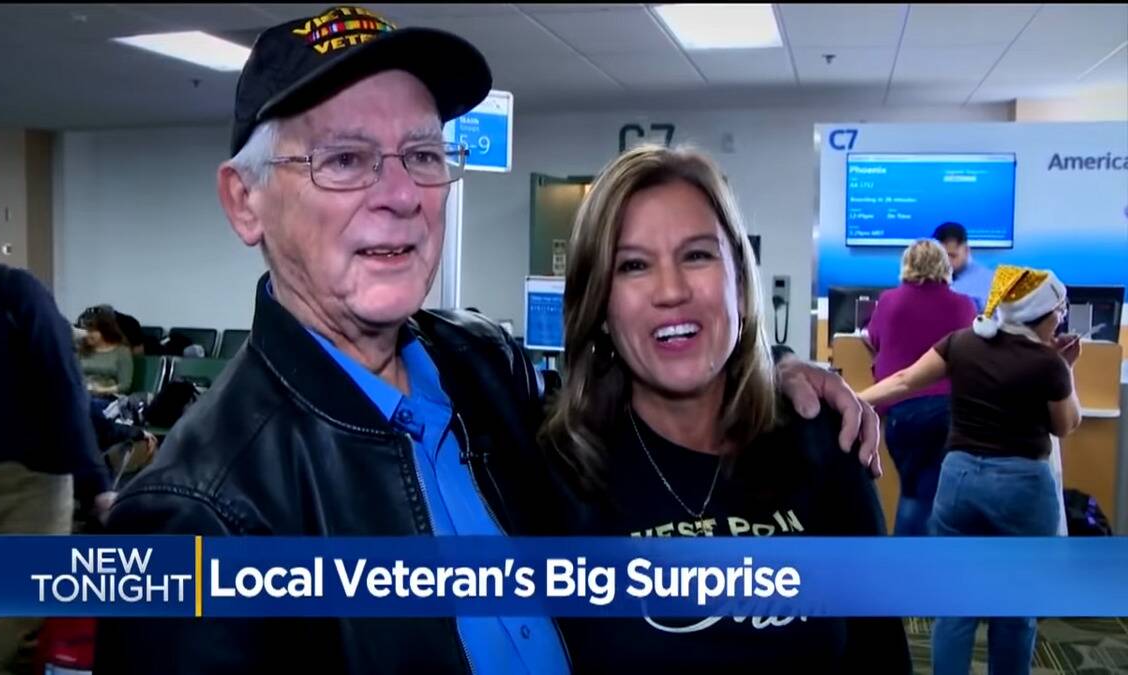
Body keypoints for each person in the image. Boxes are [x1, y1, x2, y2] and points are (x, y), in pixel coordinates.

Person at [94, 7, 881, 673]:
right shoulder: (197, 518)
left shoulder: (483, 372)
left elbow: (668, 369)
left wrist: (776, 368)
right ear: (245, 202)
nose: (400, 194)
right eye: (344, 159)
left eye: (424, 154)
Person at [540, 145, 910, 673]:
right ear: (599, 304)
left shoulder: (820, 439)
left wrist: (780, 364)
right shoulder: (555, 468)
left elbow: (881, 656)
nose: (671, 291)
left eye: (696, 255)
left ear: (739, 276)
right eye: (634, 265)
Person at [0, 170, 115, 675]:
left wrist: (95, 485)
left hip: (33, 485)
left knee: (20, 634)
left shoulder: (11, 293)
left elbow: (64, 387)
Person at [859, 264, 1082, 675]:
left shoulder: (962, 343)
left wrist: (850, 398)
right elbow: (1064, 425)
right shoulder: (1047, 364)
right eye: (1060, 310)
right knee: (1014, 613)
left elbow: (905, 380)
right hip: (1022, 489)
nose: (1062, 317)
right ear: (1046, 314)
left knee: (955, 610)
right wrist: (1066, 368)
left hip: (959, 480)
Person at [864, 239, 976, 535]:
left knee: (914, 495)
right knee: (935, 498)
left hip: (903, 412)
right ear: (945, 266)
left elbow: (872, 339)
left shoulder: (889, 301)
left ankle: (906, 567)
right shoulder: (963, 304)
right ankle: (925, 568)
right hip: (949, 414)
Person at [77, 304, 135, 408]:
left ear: (105, 331)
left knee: (89, 404)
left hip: (106, 398)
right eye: (86, 331)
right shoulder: (83, 350)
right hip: (82, 394)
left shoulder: (122, 352)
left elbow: (125, 385)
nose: (87, 335)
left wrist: (101, 390)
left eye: (91, 331)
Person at [933, 222, 994, 309]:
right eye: (940, 256)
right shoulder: (922, 279)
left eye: (952, 256)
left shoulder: (990, 283)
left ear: (967, 251)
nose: (946, 262)